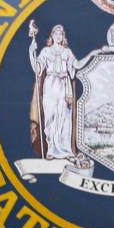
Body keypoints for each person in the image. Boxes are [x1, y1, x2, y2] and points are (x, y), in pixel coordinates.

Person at [30, 24, 78, 159]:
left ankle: (65, 150)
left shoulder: (67, 52)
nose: (58, 36)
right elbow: (37, 68)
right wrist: (31, 51)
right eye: (56, 34)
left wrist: (92, 55)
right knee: (50, 116)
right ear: (52, 36)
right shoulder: (46, 51)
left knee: (64, 117)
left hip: (63, 85)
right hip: (50, 85)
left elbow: (76, 65)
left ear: (63, 37)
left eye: (60, 34)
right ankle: (51, 149)